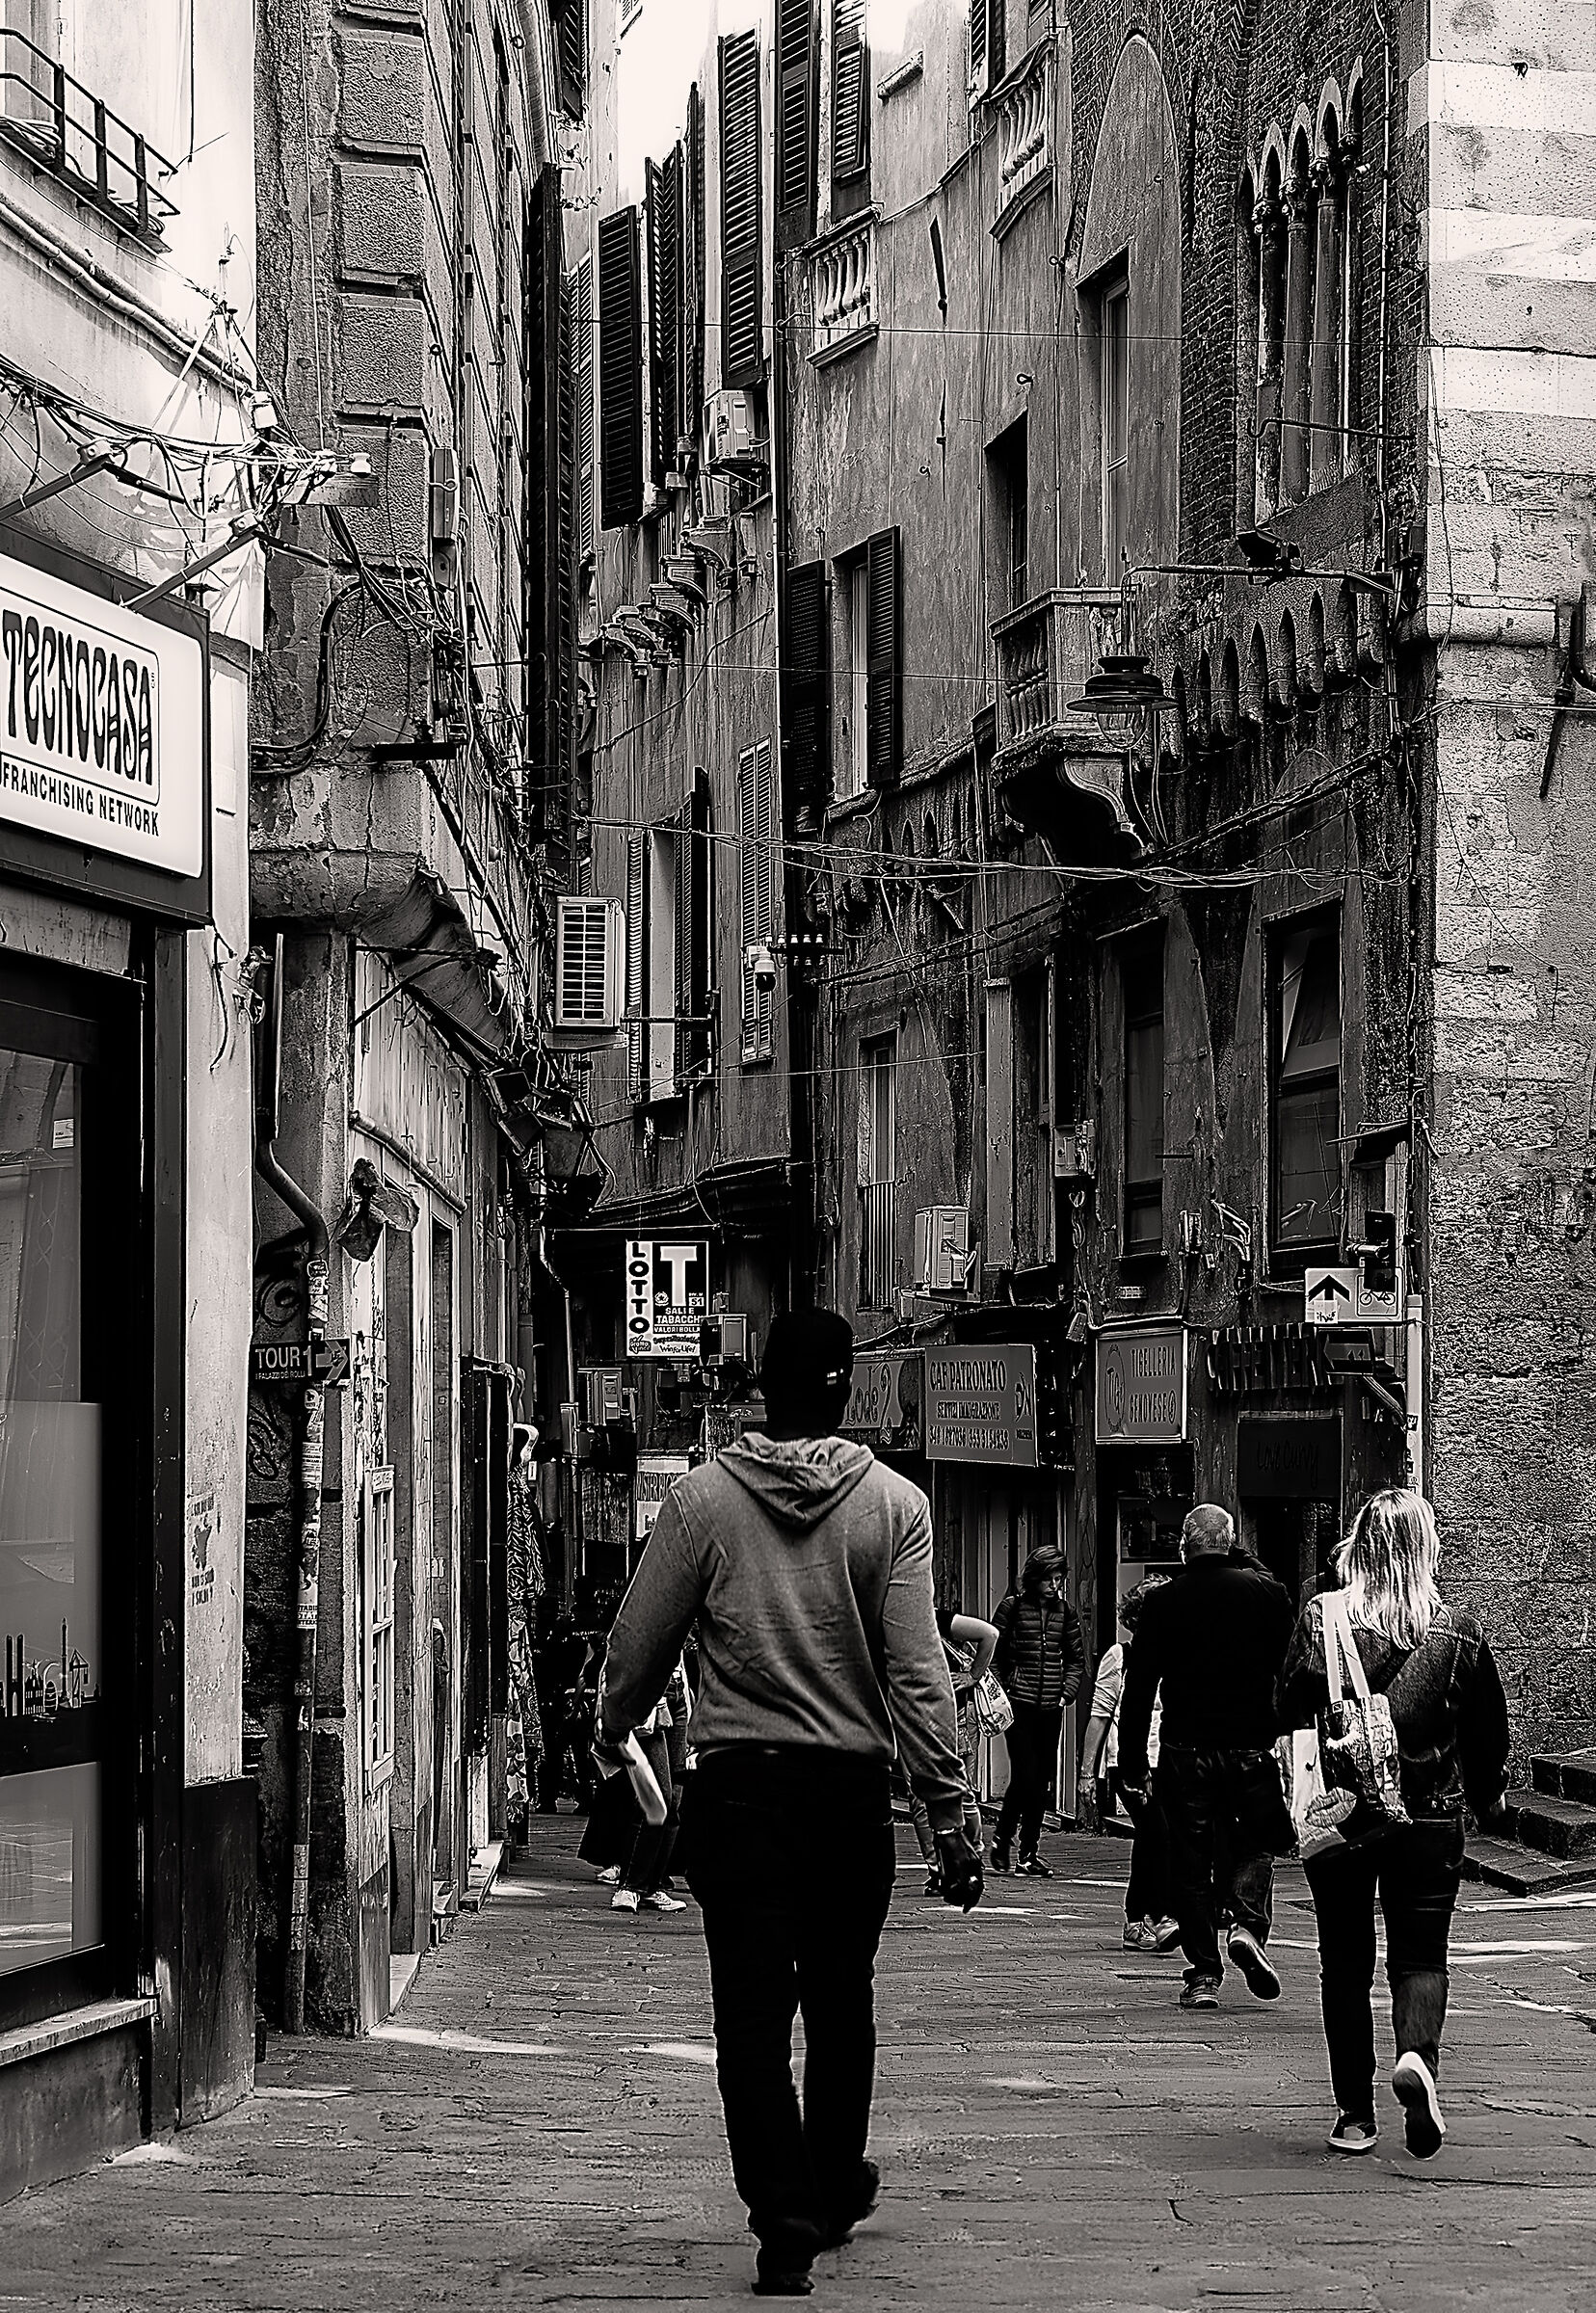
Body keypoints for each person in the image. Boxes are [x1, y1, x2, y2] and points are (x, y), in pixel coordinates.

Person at [598, 1308, 983, 2299]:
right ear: (847, 1389)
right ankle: (827, 2185)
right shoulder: (894, 1507)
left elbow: (640, 1644)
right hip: (851, 1798)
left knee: (752, 2022)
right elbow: (916, 1673)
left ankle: (783, 2220)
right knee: (843, 2001)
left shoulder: (701, 1505)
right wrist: (948, 1809)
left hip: (742, 1796)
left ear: (760, 1388)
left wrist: (611, 1730)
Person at [1278, 1489, 1509, 2157]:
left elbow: (1288, 1705)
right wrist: (1488, 1797)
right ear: (1425, 1549)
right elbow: (1487, 1732)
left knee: (1344, 1963)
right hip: (1430, 1818)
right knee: (1421, 1956)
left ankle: (1355, 2114)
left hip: (1343, 1813)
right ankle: (1418, 2062)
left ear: (1360, 1545)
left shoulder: (1322, 1619)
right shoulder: (1459, 1628)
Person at [1118, 1504, 1295, 2009]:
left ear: (1183, 1546)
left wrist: (1132, 1765)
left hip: (1184, 1749)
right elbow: (1291, 1664)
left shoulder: (1163, 1603)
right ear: (1233, 1542)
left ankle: (1202, 1974)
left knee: (1190, 1863)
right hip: (1250, 1744)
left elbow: (1138, 1691)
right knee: (1257, 1842)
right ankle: (1246, 1923)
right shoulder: (1266, 1594)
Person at [1077, 1575, 1179, 1953]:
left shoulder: (1179, 1656)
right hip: (1129, 1761)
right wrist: (1088, 1773)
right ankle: (1162, 1913)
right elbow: (1100, 1714)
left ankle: (1136, 1919)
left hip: (1168, 1758)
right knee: (1159, 1834)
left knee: (1153, 1839)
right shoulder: (1119, 1657)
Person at [989, 1545, 1086, 1876]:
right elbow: (993, 1654)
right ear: (1035, 1578)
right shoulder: (1012, 1608)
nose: (1055, 1586)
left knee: (1042, 1779)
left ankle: (1028, 1852)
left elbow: (1075, 1658)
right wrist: (1004, 1690)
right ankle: (1003, 1838)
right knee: (1025, 1775)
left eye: (1059, 1579)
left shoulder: (1066, 1612)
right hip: (1019, 1704)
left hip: (1050, 1707)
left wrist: (1065, 1694)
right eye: (1049, 1579)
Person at [908, 1604, 997, 1895]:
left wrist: (973, 1675)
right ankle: (941, 1868)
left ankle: (965, 1859)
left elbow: (989, 1634)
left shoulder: (928, 1615)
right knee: (926, 1794)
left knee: (952, 1790)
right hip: (917, 1716)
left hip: (944, 1715)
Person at [610, 1654, 690, 1915]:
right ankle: (630, 1885)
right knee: (657, 1796)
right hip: (652, 1694)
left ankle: (653, 1885)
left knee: (675, 1799)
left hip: (679, 1692)